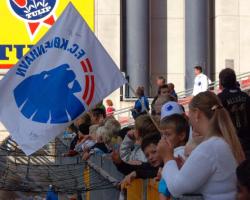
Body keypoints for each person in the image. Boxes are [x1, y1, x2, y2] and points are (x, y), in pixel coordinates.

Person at [157, 91, 245, 200]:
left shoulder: (210, 147)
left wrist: (167, 158)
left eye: (190, 114)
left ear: (197, 114)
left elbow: (176, 188)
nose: (189, 120)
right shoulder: (219, 142)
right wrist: (185, 167)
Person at [218, 68, 250, 159]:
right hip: (247, 140)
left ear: (221, 82)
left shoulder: (220, 98)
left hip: (231, 142)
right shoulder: (245, 96)